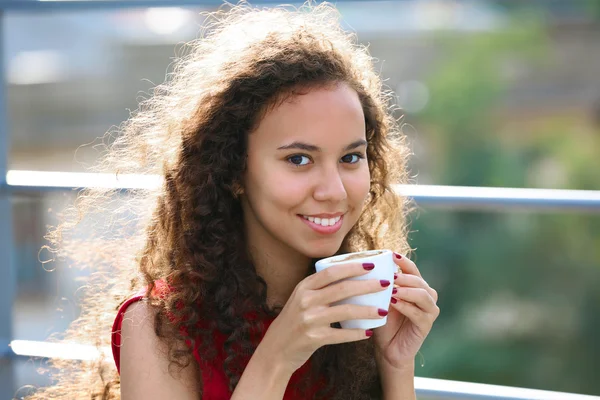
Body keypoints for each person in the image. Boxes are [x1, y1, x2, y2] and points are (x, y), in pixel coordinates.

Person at [26, 2, 439, 399]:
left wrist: (397, 366)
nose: (333, 190)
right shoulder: (158, 325)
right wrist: (279, 353)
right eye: (299, 159)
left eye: (351, 157)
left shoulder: (358, 309)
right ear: (234, 169)